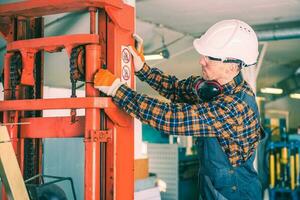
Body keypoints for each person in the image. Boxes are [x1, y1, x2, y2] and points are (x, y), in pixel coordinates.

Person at [94, 19, 264, 200]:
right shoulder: (213, 87)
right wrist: (143, 70)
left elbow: (172, 118)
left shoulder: (235, 107)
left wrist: (117, 90)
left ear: (232, 66)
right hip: (213, 184)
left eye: (210, 57)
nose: (201, 61)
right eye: (203, 54)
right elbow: (176, 88)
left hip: (235, 193)